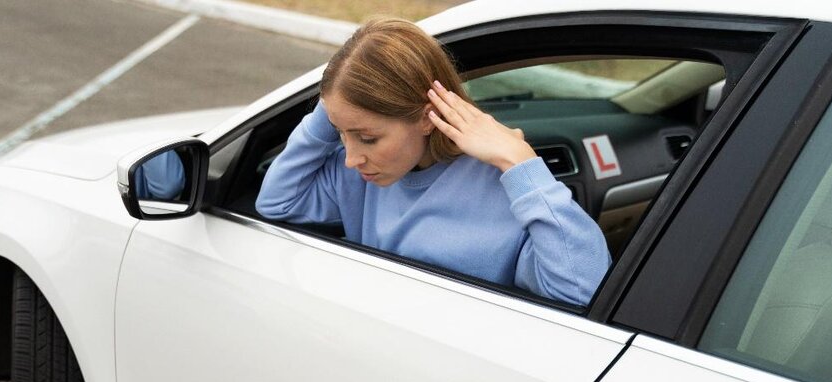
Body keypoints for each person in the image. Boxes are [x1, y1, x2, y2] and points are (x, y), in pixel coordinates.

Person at [255, 17, 610, 306]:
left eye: (367, 138)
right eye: (339, 133)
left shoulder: (505, 189)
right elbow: (276, 202)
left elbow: (581, 290)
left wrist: (520, 163)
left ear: (427, 118)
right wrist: (335, 103)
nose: (350, 158)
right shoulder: (361, 174)